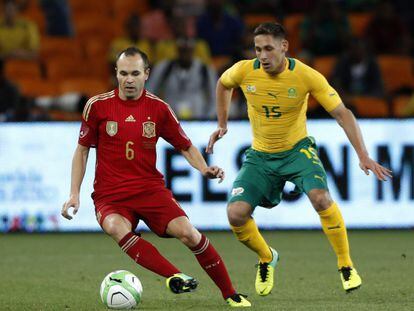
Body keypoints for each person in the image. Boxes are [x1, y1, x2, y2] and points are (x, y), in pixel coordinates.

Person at [206, 23, 392, 296]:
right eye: (258, 49)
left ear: (284, 46)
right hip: (260, 156)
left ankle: (345, 265)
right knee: (235, 214)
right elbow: (223, 84)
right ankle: (266, 256)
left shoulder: (306, 76)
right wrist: (222, 123)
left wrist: (363, 155)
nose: (263, 56)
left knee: (321, 198)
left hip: (297, 151)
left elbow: (343, 114)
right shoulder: (244, 70)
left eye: (268, 48)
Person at [61, 47, 250, 308]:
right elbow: (82, 151)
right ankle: (175, 275)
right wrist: (74, 194)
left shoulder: (159, 109)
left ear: (146, 74)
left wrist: (204, 169)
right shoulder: (97, 106)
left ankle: (230, 293)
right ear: (116, 73)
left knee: (189, 234)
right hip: (110, 195)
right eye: (123, 73)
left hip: (150, 190)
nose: (129, 79)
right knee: (117, 228)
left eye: (135, 73)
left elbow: (185, 145)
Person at [147, 36, 217, 119]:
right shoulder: (164, 68)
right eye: (183, 50)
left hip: (198, 119)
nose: (185, 54)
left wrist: (207, 119)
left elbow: (215, 98)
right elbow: (149, 92)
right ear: (177, 50)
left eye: (188, 50)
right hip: (169, 120)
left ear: (193, 50)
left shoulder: (205, 69)